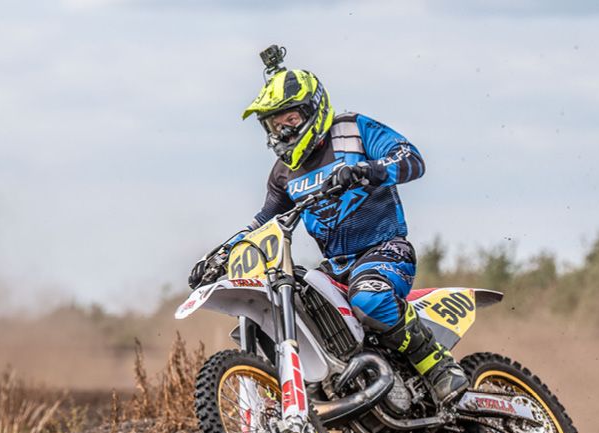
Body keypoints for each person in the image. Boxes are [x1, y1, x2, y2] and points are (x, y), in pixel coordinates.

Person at [189, 63, 468, 407]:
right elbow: (262, 222)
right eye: (275, 125)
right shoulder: (283, 173)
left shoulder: (352, 130)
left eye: (289, 119)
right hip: (335, 265)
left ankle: (437, 364)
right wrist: (220, 254)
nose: (283, 131)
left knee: (369, 299)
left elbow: (411, 159)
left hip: (384, 249)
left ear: (312, 109)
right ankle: (320, 383)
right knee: (290, 303)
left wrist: (368, 169)